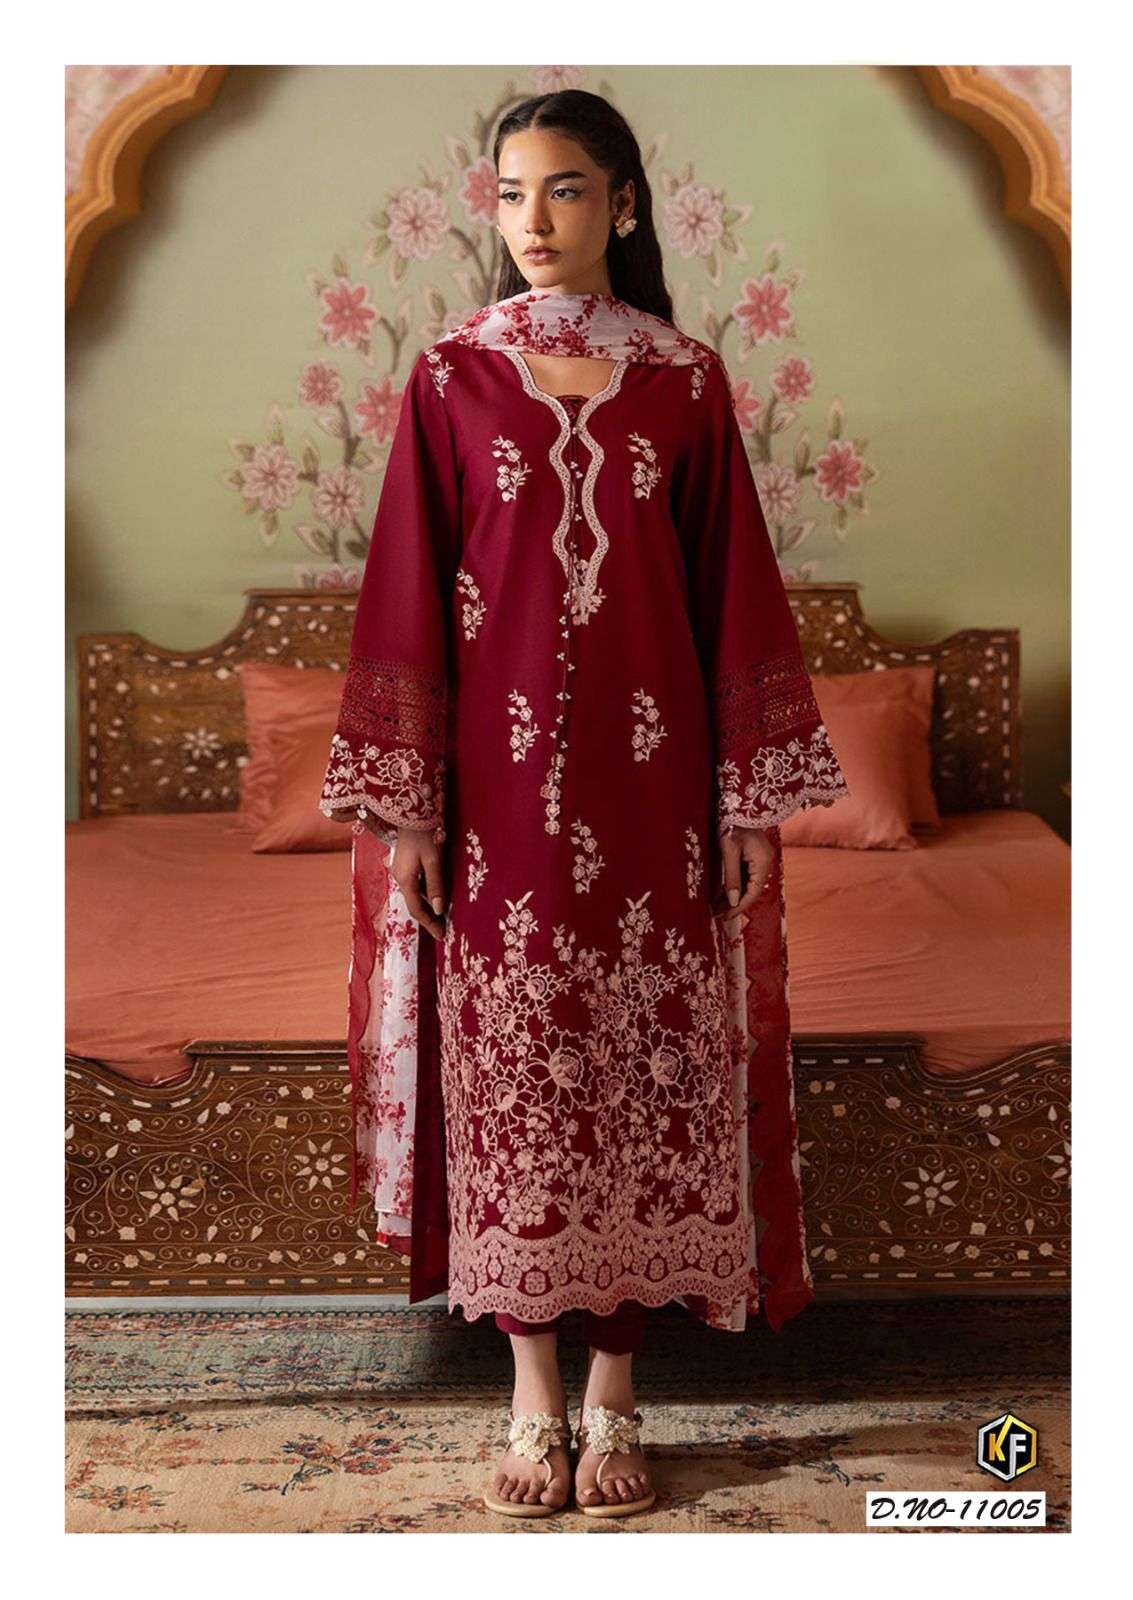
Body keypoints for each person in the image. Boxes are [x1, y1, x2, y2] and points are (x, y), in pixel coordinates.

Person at [319, 88, 849, 1519]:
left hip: (656, 791)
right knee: (522, 1071)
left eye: (561, 190)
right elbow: (404, 598)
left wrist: (746, 804)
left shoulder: (685, 381)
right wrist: (411, 810)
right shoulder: (450, 377)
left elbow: (735, 597)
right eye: (509, 193)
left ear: (621, 203)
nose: (531, 221)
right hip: (494, 802)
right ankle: (533, 1395)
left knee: (640, 1072)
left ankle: (618, 1391)